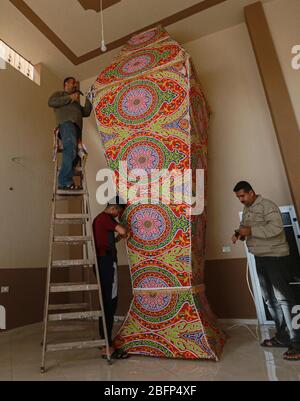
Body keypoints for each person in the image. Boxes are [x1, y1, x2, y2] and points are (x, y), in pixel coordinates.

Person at [232, 181, 300, 361]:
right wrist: (238, 234)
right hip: (260, 257)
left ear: (252, 192)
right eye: (238, 197)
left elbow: (276, 229)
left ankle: (298, 343)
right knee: (270, 300)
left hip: (276, 257)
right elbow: (244, 227)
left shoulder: (268, 206)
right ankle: (283, 337)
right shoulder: (247, 209)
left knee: (285, 299)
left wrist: (251, 230)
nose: (241, 199)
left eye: (243, 195)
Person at [93, 197, 129, 359]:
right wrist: (125, 231)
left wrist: (117, 239)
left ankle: (105, 342)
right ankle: (106, 347)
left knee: (107, 303)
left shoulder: (100, 220)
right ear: (113, 208)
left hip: (102, 262)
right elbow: (122, 231)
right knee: (109, 303)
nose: (118, 215)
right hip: (106, 264)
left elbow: (109, 239)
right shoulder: (105, 218)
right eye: (119, 212)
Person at [48, 77, 92, 190]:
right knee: (70, 148)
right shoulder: (59, 94)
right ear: (66, 84)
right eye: (73, 83)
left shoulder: (76, 103)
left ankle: (66, 182)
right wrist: (69, 97)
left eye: (76, 84)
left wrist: (89, 98)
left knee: (76, 156)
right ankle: (64, 181)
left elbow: (86, 112)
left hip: (76, 130)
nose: (75, 85)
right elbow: (51, 102)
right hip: (66, 125)